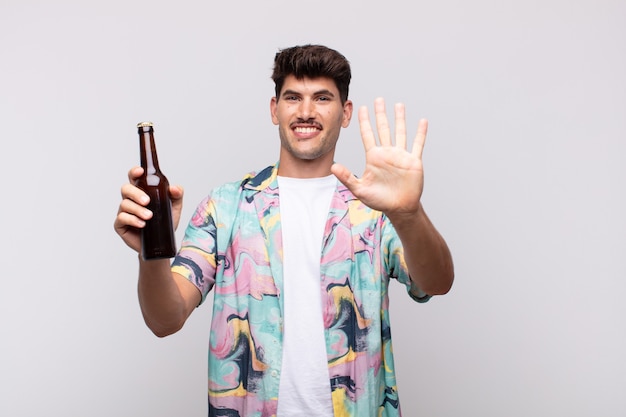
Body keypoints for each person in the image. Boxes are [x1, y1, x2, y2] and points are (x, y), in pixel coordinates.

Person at [114, 44, 454, 417]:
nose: (306, 112)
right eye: (293, 97)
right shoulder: (226, 207)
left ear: (345, 113)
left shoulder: (373, 210)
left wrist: (408, 214)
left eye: (322, 98)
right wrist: (151, 253)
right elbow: (166, 319)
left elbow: (436, 283)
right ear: (274, 110)